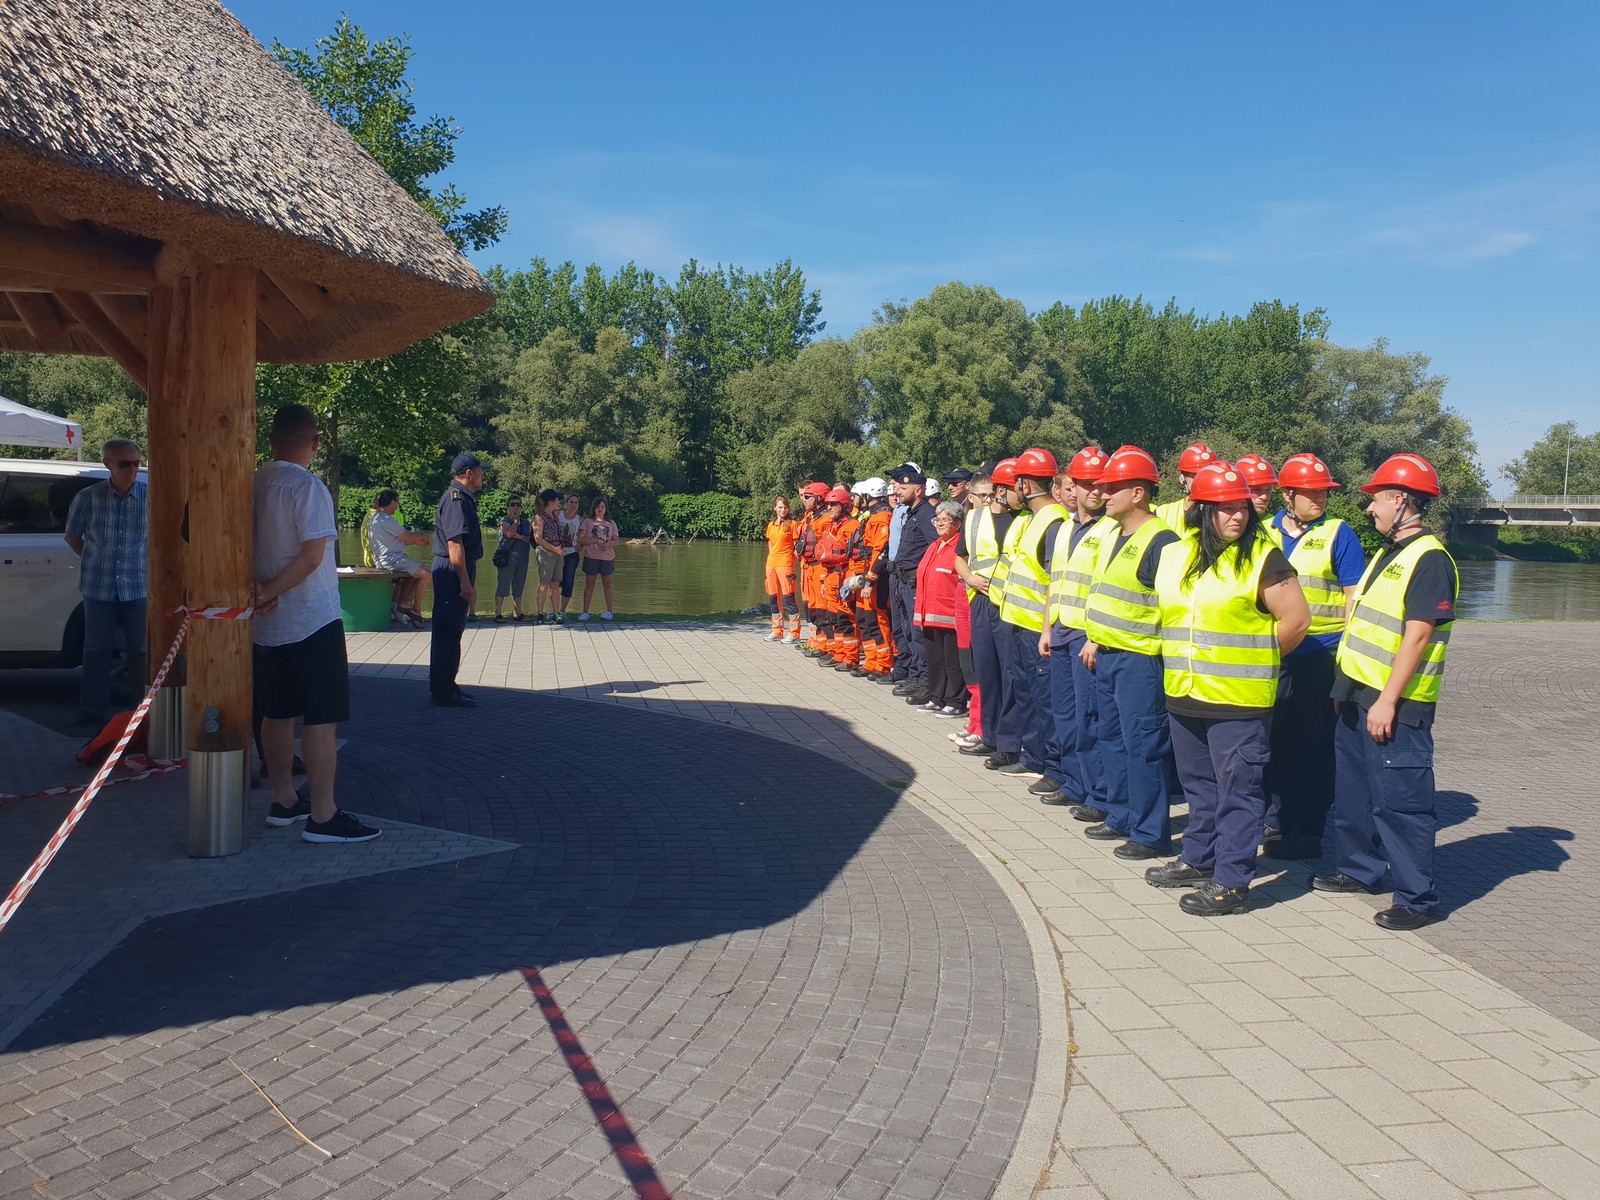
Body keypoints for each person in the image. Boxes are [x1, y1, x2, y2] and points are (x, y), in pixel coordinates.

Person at [1144, 463, 1309, 915]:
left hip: (1239, 701)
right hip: (1185, 692)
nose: (1237, 516)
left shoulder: (1263, 557)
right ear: (1201, 511)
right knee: (1199, 786)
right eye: (1224, 509)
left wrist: (1257, 659)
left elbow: (1296, 621)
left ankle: (1232, 883)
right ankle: (1199, 858)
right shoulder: (1177, 553)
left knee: (1239, 791)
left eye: (1241, 508)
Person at [1315, 453, 1458, 931]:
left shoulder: (1430, 559)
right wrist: (1346, 689)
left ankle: (1417, 898)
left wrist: (1388, 700)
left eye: (1375, 499)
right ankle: (1359, 870)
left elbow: (1417, 635)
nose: (1369, 508)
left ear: (1400, 500)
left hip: (1395, 705)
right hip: (1358, 696)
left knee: (1400, 801)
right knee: (1353, 793)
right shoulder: (1388, 552)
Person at [252, 405, 379, 842]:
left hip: (267, 623)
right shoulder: (307, 487)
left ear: (271, 440)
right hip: (312, 617)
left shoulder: (253, 482)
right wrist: (270, 590)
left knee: (277, 711)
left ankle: (284, 799)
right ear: (316, 443)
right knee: (321, 718)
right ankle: (323, 815)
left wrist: (258, 590)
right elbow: (311, 557)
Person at [1080, 445, 1183, 859]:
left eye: (1112, 488)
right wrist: (1095, 637)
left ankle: (1149, 833)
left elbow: (1175, 609)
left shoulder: (1162, 542)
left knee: (1144, 747)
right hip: (1108, 654)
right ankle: (1121, 815)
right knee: (1113, 739)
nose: (1104, 494)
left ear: (1138, 493)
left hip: (1141, 662)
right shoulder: (1118, 535)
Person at [1263, 453, 1367, 859]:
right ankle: (1277, 819)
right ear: (1287, 494)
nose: (1321, 498)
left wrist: (1347, 656)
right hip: (1274, 654)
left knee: (1315, 745)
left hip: (1320, 656)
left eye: (1324, 492)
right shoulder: (1265, 531)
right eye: (1312, 492)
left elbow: (1352, 598)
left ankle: (1308, 832)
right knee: (1275, 740)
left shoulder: (1338, 533)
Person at [1040, 448, 1116, 819]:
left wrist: (1096, 636)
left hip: (1087, 635)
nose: (1093, 491)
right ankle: (1074, 783)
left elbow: (1108, 589)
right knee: (1065, 714)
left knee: (1091, 717)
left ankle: (1098, 794)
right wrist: (1046, 628)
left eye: (1099, 484)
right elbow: (1054, 584)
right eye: (1085, 484)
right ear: (1072, 485)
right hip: (1061, 631)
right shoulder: (1064, 528)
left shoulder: (1110, 530)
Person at [995, 449, 1069, 785]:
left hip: (1038, 627)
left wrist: (1046, 628)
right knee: (1027, 693)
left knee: (1044, 700)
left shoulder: (1052, 522)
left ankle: (1053, 766)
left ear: (1024, 483)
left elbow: (1055, 581)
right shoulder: (1035, 519)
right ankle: (1035, 756)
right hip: (1021, 624)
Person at [63, 438, 147, 728]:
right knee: (96, 650)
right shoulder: (87, 498)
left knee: (139, 650)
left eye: (137, 462)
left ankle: (140, 713)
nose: (132, 469)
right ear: (107, 464)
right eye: (125, 463)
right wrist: (93, 557)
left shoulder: (151, 498)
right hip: (98, 586)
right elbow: (72, 535)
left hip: (137, 585)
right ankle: (93, 710)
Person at [955, 460, 1018, 758]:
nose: (990, 499)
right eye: (985, 495)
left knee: (1009, 674)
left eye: (994, 493)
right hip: (980, 601)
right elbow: (961, 557)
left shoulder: (1022, 519)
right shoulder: (973, 520)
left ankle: (1009, 743)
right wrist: (968, 577)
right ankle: (989, 736)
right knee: (987, 672)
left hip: (1009, 605)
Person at [430, 453, 486, 708]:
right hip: (452, 570)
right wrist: (464, 581)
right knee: (448, 632)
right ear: (468, 474)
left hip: (456, 569)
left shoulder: (463, 498)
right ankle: (443, 692)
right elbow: (454, 544)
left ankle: (447, 685)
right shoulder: (456, 500)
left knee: (452, 632)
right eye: (480, 471)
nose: (483, 475)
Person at [912, 500, 969, 716]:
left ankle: (956, 701)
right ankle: (937, 697)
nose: (940, 524)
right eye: (938, 519)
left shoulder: (960, 547)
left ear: (957, 523)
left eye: (945, 520)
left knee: (952, 662)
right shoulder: (934, 546)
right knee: (935, 660)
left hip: (950, 614)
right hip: (929, 613)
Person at [888, 464, 937, 701]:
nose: (898, 491)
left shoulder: (928, 515)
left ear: (918, 491)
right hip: (902, 582)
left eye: (904, 487)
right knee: (907, 632)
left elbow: (935, 548)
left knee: (918, 636)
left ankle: (925, 683)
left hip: (915, 584)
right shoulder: (913, 513)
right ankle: (914, 677)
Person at [843, 478, 894, 677]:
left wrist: (871, 578)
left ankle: (882, 664)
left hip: (877, 576)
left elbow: (880, 550)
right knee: (866, 620)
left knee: (877, 619)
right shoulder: (872, 516)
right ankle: (872, 661)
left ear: (868, 495)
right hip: (868, 572)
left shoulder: (881, 517)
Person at [367, 490, 431, 627]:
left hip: (388, 558)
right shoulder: (387, 519)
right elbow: (407, 537)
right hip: (391, 559)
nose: (398, 505)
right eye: (397, 502)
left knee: (417, 570)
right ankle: (415, 608)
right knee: (427, 575)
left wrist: (416, 541)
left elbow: (399, 541)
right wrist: (421, 536)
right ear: (392, 502)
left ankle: (404, 602)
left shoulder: (376, 518)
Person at [813, 486, 860, 666]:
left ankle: (850, 658)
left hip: (844, 576)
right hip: (831, 576)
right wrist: (824, 580)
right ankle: (838, 653)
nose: (829, 508)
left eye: (833, 504)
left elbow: (853, 556)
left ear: (844, 505)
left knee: (846, 618)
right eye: (827, 505)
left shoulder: (852, 526)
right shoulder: (833, 525)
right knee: (834, 618)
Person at [793, 482, 830, 647]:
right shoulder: (811, 516)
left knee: (823, 609)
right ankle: (819, 643)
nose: (803, 499)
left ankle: (827, 645)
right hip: (810, 566)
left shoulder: (826, 518)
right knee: (813, 609)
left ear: (819, 498)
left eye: (807, 497)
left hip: (821, 567)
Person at [1153, 442, 1214, 530]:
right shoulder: (1162, 513)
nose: (1203, 481)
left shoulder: (1224, 514)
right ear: (1182, 478)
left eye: (1208, 475)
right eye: (1196, 476)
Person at [763, 495, 799, 641]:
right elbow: (770, 545)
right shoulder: (771, 525)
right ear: (775, 508)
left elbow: (797, 547)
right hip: (771, 564)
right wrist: (770, 560)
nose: (783, 509)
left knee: (789, 599)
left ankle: (794, 632)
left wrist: (791, 561)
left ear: (788, 508)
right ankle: (777, 630)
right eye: (780, 507)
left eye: (785, 507)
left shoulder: (792, 524)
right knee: (773, 598)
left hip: (785, 565)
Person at [578, 498, 620, 622]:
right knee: (589, 584)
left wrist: (608, 545)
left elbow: (616, 541)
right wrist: (596, 540)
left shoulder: (611, 523)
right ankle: (585, 612)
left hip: (607, 557)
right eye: (597, 506)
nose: (600, 509)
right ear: (594, 508)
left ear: (605, 508)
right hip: (591, 557)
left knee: (607, 584)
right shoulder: (588, 522)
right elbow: (582, 539)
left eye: (602, 506)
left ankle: (609, 612)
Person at [493, 495, 532, 622]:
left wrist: (518, 536)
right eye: (512, 504)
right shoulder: (504, 520)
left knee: (519, 585)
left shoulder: (526, 522)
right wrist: (515, 521)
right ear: (507, 507)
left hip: (522, 558)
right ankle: (498, 613)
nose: (516, 507)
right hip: (507, 558)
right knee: (503, 585)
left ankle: (517, 612)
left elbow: (529, 538)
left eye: (518, 504)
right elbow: (509, 533)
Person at [532, 489, 564, 623]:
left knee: (555, 584)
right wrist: (554, 549)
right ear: (551, 501)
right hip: (546, 552)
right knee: (544, 583)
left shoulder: (555, 515)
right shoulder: (539, 517)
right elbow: (538, 538)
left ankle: (557, 613)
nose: (558, 502)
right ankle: (540, 614)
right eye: (557, 500)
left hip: (558, 552)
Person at [556, 493, 583, 622]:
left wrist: (580, 547)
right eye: (571, 502)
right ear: (566, 503)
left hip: (572, 554)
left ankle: (562, 610)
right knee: (554, 582)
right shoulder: (557, 515)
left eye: (576, 502)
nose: (573, 505)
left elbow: (583, 537)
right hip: (557, 552)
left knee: (568, 582)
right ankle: (554, 610)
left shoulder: (580, 520)